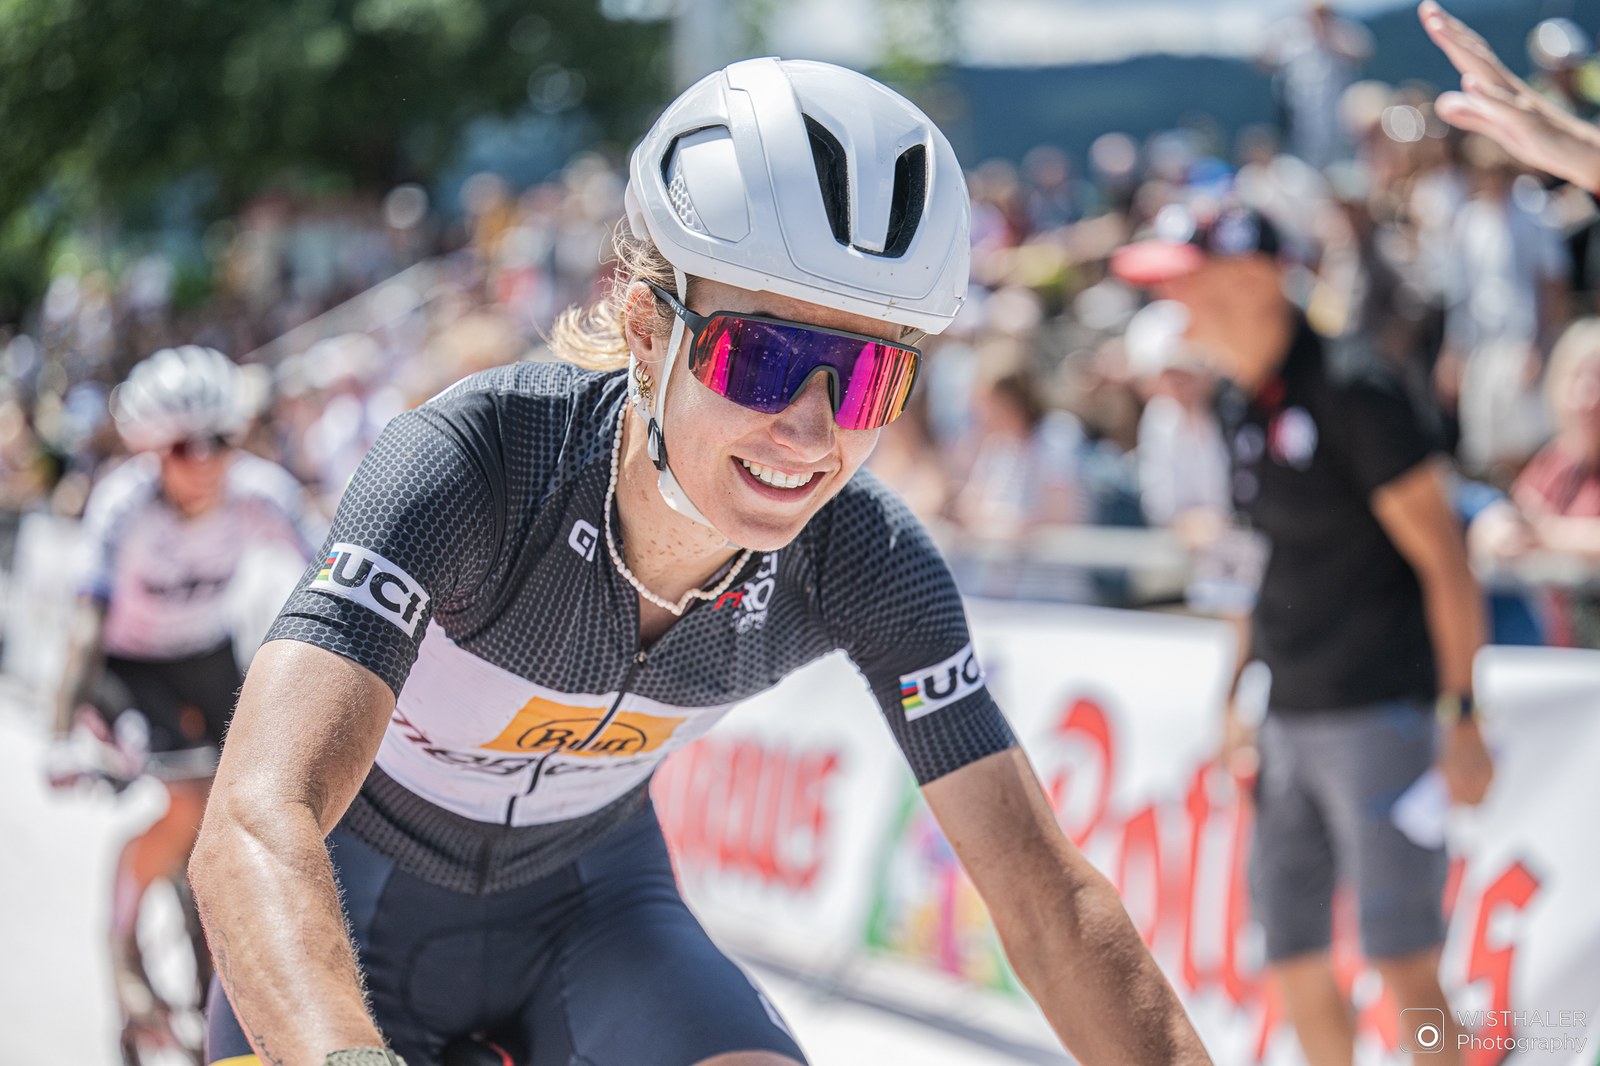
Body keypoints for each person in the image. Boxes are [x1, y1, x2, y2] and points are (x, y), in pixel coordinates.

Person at [190, 59, 1213, 1066]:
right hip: (343, 911)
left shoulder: (867, 555)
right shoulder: (475, 466)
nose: (809, 432)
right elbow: (254, 819)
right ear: (647, 330)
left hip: (594, 920)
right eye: (763, 358)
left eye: (867, 377)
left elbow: (1046, 899)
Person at [1112, 202, 1493, 1066]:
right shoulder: (1239, 398)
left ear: (1253, 278)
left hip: (1381, 713)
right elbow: (1260, 564)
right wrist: (1236, 696)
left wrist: (1464, 714)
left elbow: (1448, 561)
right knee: (1291, 955)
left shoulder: (1356, 388)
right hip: (1288, 718)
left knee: (1406, 967)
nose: (1171, 303)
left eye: (1184, 280)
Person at [49, 345, 323, 1059]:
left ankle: (215, 968)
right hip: (129, 667)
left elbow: (333, 579)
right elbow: (84, 626)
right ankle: (122, 952)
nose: (203, 461)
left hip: (207, 657)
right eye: (181, 447)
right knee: (186, 804)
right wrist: (62, 729)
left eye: (220, 441)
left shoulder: (261, 492)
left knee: (238, 811)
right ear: (151, 449)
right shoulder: (123, 503)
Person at [1470, 317, 1600, 648]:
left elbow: (1539, 530)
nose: (1587, 395)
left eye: (1597, 381)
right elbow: (1515, 517)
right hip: (1556, 654)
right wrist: (1494, 531)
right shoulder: (1555, 460)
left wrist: (1547, 535)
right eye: (1577, 379)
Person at [1419, 1, 1600, 195]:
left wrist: (1592, 161)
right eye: (1560, 71)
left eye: (1570, 69)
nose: (1566, 77)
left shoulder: (1593, 106)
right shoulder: (1533, 110)